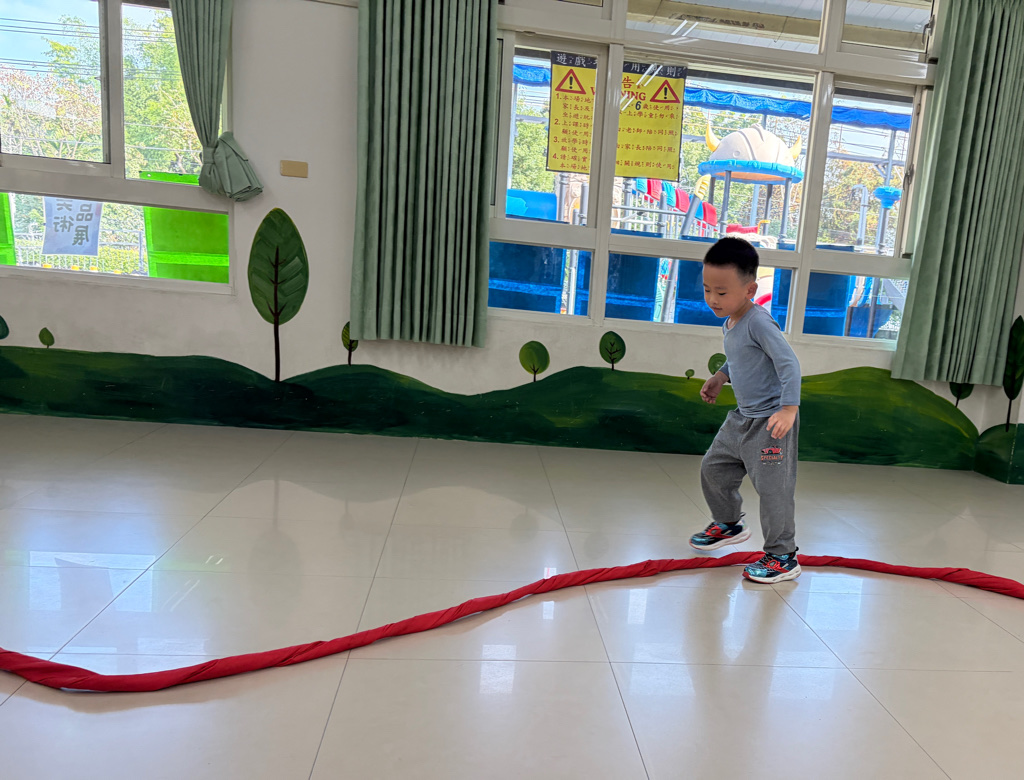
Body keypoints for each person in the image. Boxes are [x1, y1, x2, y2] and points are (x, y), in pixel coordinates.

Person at [688, 237, 802, 583]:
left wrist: (788, 409)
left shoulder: (759, 322)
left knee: (773, 490)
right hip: (742, 417)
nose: (712, 299)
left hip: (771, 422)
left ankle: (783, 556)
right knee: (714, 468)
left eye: (721, 292)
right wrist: (721, 376)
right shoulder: (731, 322)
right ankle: (729, 523)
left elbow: (788, 364)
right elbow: (741, 357)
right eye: (707, 289)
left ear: (750, 289)